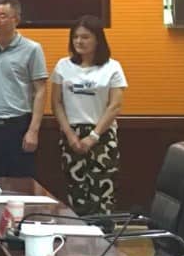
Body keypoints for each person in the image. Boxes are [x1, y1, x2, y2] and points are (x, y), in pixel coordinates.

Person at [50, 15, 127, 216]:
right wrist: (69, 134)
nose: (79, 41)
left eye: (85, 37)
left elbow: (115, 105)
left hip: (102, 134)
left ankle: (104, 233)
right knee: (75, 190)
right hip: (72, 134)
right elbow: (56, 103)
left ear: (97, 39)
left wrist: (93, 136)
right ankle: (79, 233)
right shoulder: (63, 66)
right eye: (75, 37)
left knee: (103, 191)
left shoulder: (112, 67)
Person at [0, 0, 48, 178]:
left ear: (16, 19)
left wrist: (33, 131)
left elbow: (41, 90)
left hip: (17, 125)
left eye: (2, 16)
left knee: (19, 182)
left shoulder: (32, 49)